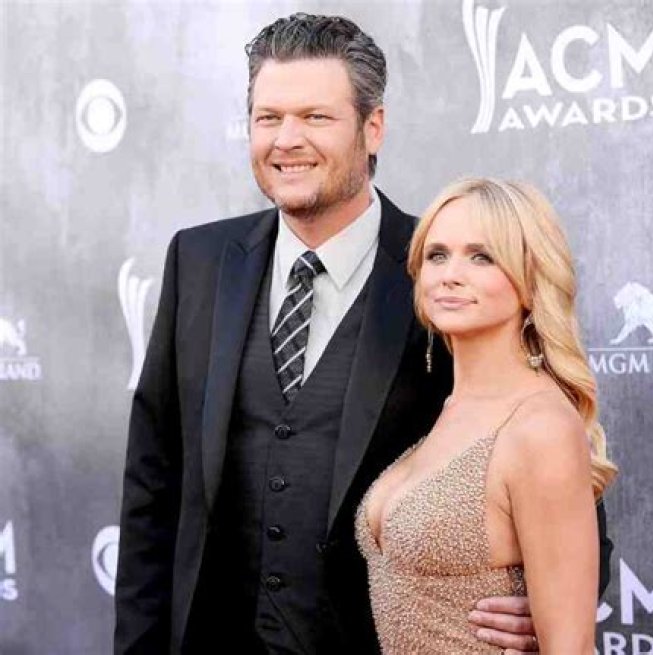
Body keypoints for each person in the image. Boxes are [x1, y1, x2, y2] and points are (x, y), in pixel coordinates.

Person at [114, 14, 613, 655]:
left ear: (372, 127)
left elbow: (557, 470)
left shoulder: (439, 272)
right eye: (268, 118)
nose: (286, 140)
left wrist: (546, 602)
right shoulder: (199, 261)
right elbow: (153, 482)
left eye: (315, 117)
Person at [356, 177, 618, 653]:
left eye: (482, 257)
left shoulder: (540, 427)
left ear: (530, 279)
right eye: (437, 255)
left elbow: (571, 646)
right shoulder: (445, 409)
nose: (450, 275)